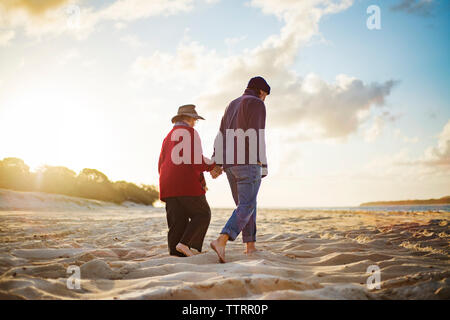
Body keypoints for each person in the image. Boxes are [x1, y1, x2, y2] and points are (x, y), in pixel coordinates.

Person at [210, 76, 270, 263]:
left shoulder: (231, 105)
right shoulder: (257, 103)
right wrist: (263, 163)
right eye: (265, 95)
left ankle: (250, 247)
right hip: (248, 161)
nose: (264, 99)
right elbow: (258, 133)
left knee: (245, 205)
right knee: (248, 205)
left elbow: (220, 134)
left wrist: (217, 161)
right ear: (261, 91)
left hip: (230, 164)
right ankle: (222, 239)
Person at [158, 104, 222, 257]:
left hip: (167, 183)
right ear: (188, 118)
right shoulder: (190, 132)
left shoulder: (168, 136)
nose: (195, 123)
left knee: (177, 221)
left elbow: (161, 162)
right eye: (194, 120)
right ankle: (186, 244)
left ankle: (176, 252)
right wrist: (213, 167)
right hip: (185, 183)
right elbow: (196, 160)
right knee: (202, 214)